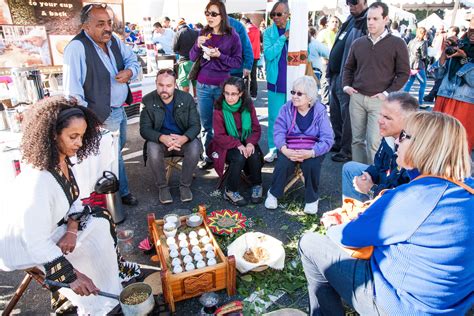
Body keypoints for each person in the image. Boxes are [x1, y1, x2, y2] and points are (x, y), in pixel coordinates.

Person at [299, 111, 474, 315]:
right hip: (451, 305)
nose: (397, 142)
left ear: (424, 146)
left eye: (404, 136)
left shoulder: (414, 197)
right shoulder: (466, 188)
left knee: (310, 243)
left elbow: (347, 237)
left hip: (401, 306)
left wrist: (333, 224)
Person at [0, 97, 140, 314]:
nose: (80, 143)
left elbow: (74, 199)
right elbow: (36, 243)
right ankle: (97, 306)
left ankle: (112, 277)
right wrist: (73, 276)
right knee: (92, 252)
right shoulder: (38, 180)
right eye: (73, 136)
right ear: (52, 135)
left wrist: (73, 230)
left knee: (101, 219)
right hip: (25, 246)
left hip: (52, 229)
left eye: (82, 136)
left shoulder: (61, 160)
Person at [63, 3, 140, 206]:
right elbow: (73, 92)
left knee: (117, 150)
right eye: (100, 24)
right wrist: (88, 121)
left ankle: (110, 190)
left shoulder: (113, 40)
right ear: (86, 27)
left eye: (109, 23)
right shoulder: (77, 48)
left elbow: (133, 59)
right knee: (113, 154)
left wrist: (130, 72)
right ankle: (121, 193)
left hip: (119, 109)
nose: (107, 28)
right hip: (100, 114)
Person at [343, 2, 409, 165]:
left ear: (385, 19)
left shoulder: (397, 43)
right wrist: (346, 85)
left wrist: (386, 93)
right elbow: (348, 67)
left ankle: (373, 182)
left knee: (374, 142)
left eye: (375, 18)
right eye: (369, 19)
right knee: (357, 141)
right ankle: (358, 176)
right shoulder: (358, 43)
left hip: (379, 101)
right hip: (357, 98)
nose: (370, 22)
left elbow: (403, 73)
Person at [264, 76, 334, 214]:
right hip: (289, 147)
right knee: (283, 163)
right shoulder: (286, 108)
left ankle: (312, 199)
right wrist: (285, 150)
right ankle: (273, 193)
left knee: (311, 164)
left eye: (299, 93)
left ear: (310, 97)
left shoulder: (320, 111)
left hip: (312, 149)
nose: (294, 96)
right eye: (293, 92)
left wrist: (312, 152)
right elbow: (278, 132)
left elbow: (328, 139)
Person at [189, 1, 242, 170]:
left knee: (225, 123)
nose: (209, 17)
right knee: (206, 125)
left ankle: (225, 156)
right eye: (207, 13)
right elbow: (191, 57)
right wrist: (198, 45)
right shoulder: (203, 32)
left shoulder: (232, 35)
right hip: (203, 85)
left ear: (222, 16)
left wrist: (220, 55)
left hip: (223, 87)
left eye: (213, 14)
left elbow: (238, 61)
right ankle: (209, 156)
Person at [139, 69, 202, 204]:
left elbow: (196, 125)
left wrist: (183, 138)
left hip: (182, 141)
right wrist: (162, 137)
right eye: (161, 85)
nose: (164, 89)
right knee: (152, 148)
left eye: (168, 86)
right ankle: (163, 187)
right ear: (156, 83)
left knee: (195, 146)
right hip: (161, 141)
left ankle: (185, 186)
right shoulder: (148, 100)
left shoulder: (186, 98)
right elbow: (144, 129)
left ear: (175, 85)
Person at [342, 92, 417, 202]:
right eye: (380, 114)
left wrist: (371, 189)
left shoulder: (414, 149)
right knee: (350, 168)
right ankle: (352, 212)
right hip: (386, 184)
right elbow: (378, 165)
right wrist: (367, 175)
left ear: (408, 121)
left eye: (387, 117)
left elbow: (402, 198)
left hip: (398, 201)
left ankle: (364, 216)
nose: (379, 120)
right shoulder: (389, 136)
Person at [208, 77, 263, 206]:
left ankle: (257, 185)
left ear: (241, 94)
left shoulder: (248, 106)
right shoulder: (219, 109)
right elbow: (219, 136)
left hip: (245, 138)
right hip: (225, 144)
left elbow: (256, 129)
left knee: (254, 153)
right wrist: (237, 144)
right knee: (239, 156)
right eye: (226, 93)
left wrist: (249, 143)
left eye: (233, 94)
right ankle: (230, 190)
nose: (230, 97)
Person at [327, 0, 369, 163]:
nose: (351, 6)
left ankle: (347, 150)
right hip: (337, 74)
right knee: (336, 112)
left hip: (349, 77)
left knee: (348, 115)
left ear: (365, 2)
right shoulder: (351, 19)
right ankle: (338, 142)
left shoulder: (366, 20)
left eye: (355, 3)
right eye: (349, 3)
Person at [433, 17, 474, 151]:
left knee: (457, 148)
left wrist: (464, 60)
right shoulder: (459, 44)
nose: (472, 34)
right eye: (470, 30)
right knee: (435, 143)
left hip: (465, 104)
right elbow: (438, 75)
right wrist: (444, 55)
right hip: (443, 98)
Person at [263, 1, 290, 163]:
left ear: (287, 14)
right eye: (273, 15)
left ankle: (289, 147)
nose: (275, 18)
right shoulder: (268, 33)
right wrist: (283, 38)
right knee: (274, 117)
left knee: (293, 117)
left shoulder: (298, 29)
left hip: (294, 81)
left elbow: (304, 52)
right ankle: (273, 148)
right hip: (275, 81)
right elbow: (269, 54)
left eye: (279, 14)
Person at [403, 27, 429, 108]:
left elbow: (406, 51)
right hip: (418, 66)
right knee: (423, 84)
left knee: (410, 82)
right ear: (424, 33)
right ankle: (420, 102)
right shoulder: (423, 43)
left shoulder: (411, 41)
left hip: (410, 65)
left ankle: (402, 99)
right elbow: (424, 56)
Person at [173, 19, 199, 93]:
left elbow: (174, 48)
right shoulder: (196, 32)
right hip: (196, 62)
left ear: (178, 26)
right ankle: (196, 100)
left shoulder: (178, 33)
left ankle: (186, 101)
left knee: (184, 84)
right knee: (196, 84)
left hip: (185, 62)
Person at [241, 16, 261, 99]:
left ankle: (244, 95)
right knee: (253, 76)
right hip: (256, 54)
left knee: (245, 75)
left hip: (247, 55)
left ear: (244, 22)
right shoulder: (257, 29)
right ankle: (254, 94)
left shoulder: (246, 30)